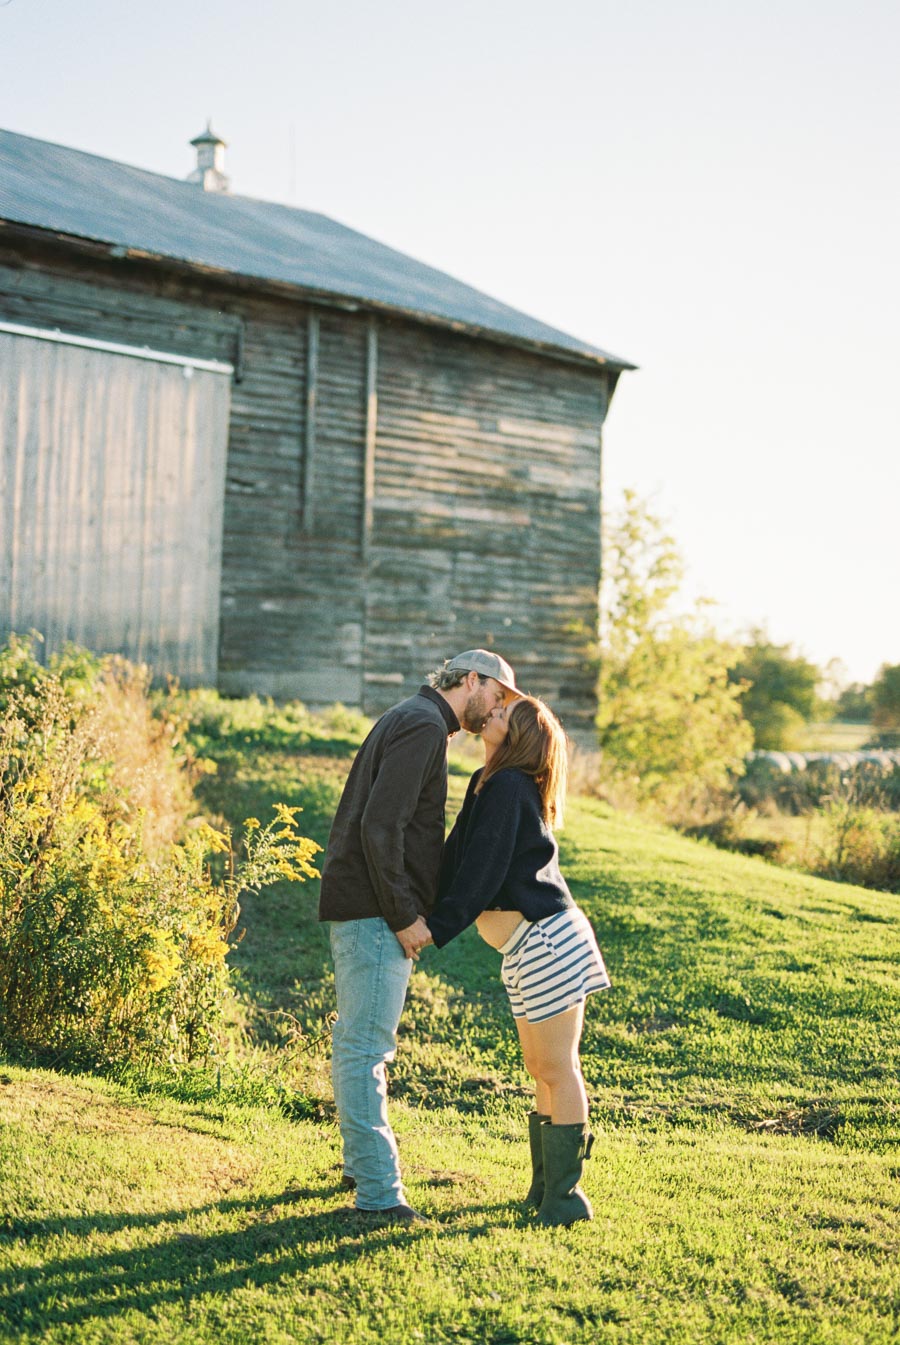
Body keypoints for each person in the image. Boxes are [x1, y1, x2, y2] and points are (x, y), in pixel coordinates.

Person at [318, 649, 519, 1224]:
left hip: (366, 905)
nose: (498, 710)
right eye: (498, 697)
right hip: (375, 911)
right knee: (364, 1049)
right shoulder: (425, 725)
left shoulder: (415, 718)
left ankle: (361, 1167)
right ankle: (379, 1196)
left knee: (360, 1043)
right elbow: (381, 825)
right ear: (473, 681)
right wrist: (405, 915)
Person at [425, 695, 610, 1227]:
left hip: (547, 940)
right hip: (528, 946)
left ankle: (567, 1197)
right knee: (540, 1067)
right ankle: (545, 1187)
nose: (495, 714)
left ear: (520, 737)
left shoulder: (508, 786)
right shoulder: (488, 781)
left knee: (557, 1066)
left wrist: (434, 930)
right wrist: (416, 900)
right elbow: (458, 855)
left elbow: (483, 871)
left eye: (507, 714)